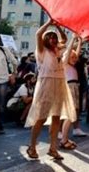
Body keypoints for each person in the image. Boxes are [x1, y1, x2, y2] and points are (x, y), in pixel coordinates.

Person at [24, 19, 76, 160]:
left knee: (56, 118)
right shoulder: (41, 51)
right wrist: (49, 23)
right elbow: (38, 33)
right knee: (41, 117)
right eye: (50, 37)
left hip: (59, 84)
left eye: (54, 37)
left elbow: (64, 39)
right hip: (46, 85)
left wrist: (58, 28)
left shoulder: (58, 50)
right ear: (45, 40)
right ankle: (32, 147)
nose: (53, 39)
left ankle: (53, 149)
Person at [59, 34, 86, 151]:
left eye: (75, 58)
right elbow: (70, 50)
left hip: (74, 87)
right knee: (69, 114)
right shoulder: (64, 63)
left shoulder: (72, 64)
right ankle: (63, 138)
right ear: (67, 57)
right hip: (69, 87)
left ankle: (64, 137)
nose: (75, 59)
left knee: (73, 113)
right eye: (73, 58)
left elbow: (76, 52)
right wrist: (73, 39)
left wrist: (79, 41)